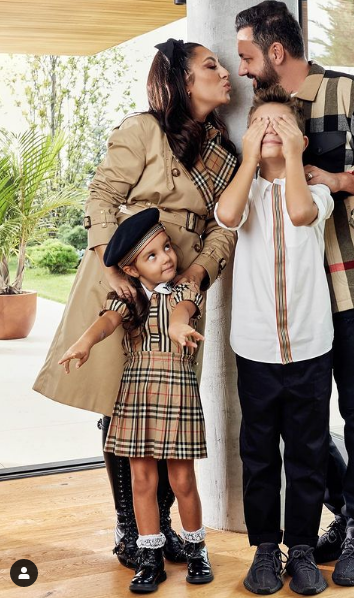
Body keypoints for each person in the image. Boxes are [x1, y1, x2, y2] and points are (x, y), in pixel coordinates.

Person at [235, 1, 354, 588]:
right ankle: (342, 511)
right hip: (292, 304)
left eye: (246, 56)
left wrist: (339, 180)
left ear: (275, 51)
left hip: (352, 280)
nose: (241, 69)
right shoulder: (265, 118)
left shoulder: (353, 93)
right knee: (305, 422)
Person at [34, 39, 237, 569]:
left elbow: (224, 227)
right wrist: (112, 268)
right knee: (121, 403)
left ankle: (160, 529)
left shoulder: (223, 151)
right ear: (182, 81)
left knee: (167, 406)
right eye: (210, 65)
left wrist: (197, 274)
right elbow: (102, 195)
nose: (225, 72)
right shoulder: (143, 129)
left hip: (182, 284)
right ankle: (131, 529)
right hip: (121, 276)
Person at [216, 86, 334, 596]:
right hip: (257, 348)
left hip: (310, 346)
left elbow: (301, 214)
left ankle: (302, 548)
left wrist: (292, 159)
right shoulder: (244, 190)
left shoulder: (317, 193)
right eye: (258, 123)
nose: (268, 129)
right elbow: (227, 217)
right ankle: (266, 548)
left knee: (308, 452)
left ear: (300, 140)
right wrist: (249, 160)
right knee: (259, 453)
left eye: (280, 123)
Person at [59, 208, 213, 593]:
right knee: (141, 480)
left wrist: (179, 324)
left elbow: (184, 311)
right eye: (153, 255)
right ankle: (150, 558)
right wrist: (84, 342)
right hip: (137, 394)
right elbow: (107, 322)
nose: (167, 258)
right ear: (131, 270)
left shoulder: (185, 290)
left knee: (182, 479)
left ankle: (197, 551)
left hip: (176, 394)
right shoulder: (127, 299)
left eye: (167, 248)